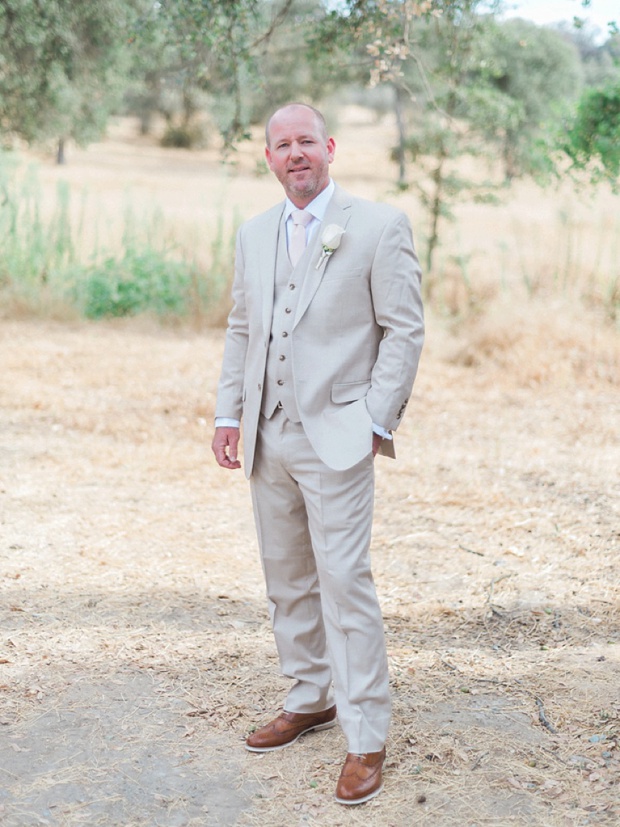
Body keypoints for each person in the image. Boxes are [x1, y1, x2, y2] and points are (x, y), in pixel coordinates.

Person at [211, 102, 424, 806]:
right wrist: (228, 412)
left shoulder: (378, 225)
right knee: (287, 579)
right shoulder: (253, 232)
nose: (295, 152)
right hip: (268, 435)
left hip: (338, 435)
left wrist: (373, 420)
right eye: (282, 144)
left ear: (329, 147)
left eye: (307, 140)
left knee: (344, 583)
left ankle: (366, 735)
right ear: (268, 157)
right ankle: (309, 697)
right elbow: (243, 327)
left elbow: (404, 330)